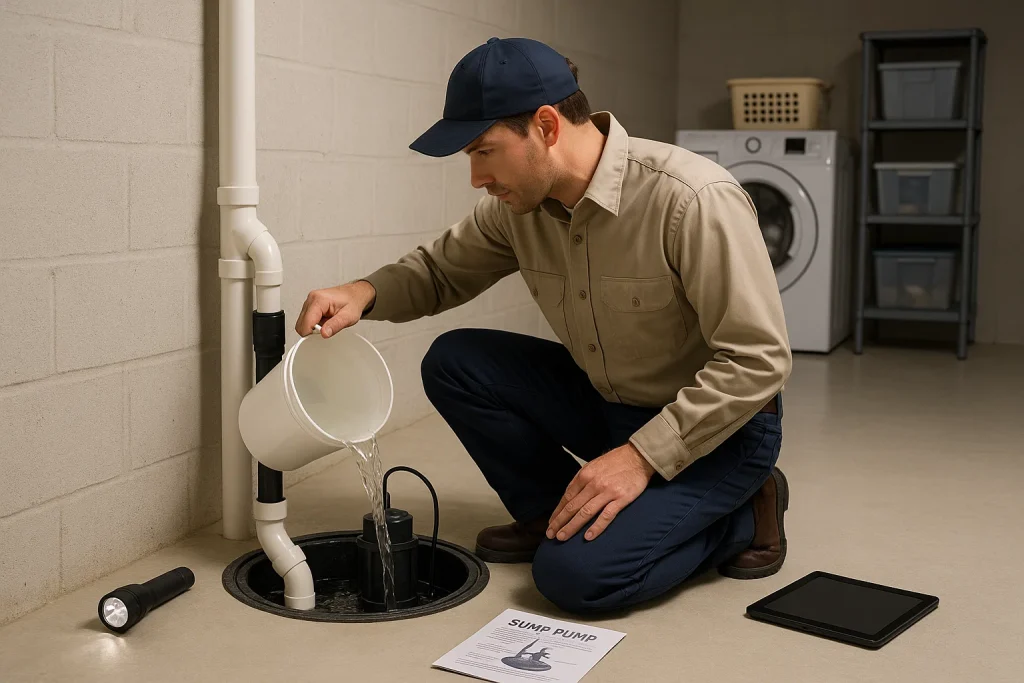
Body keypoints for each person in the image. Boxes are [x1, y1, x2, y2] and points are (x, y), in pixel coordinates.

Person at [296, 37, 792, 615]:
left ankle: (743, 513)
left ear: (547, 125)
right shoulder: (519, 210)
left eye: (485, 151)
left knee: (575, 580)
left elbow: (758, 360)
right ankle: (551, 514)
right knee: (456, 361)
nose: (478, 177)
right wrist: (362, 292)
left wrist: (639, 459)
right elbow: (437, 271)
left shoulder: (691, 199)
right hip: (612, 406)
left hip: (719, 433)